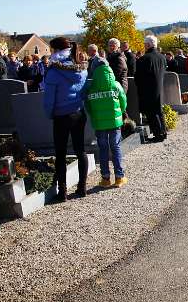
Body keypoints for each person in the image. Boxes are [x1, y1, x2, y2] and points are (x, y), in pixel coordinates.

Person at [43, 37, 89, 200]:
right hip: (78, 112)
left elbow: (49, 98)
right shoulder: (81, 68)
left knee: (61, 153)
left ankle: (62, 192)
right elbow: (84, 91)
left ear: (54, 50)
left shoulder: (53, 71)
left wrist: (49, 114)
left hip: (61, 115)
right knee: (80, 150)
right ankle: (82, 187)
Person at [85, 54, 128, 188]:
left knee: (103, 148)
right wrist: (119, 113)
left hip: (99, 123)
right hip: (115, 122)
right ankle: (119, 178)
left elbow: (88, 106)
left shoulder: (90, 87)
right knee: (115, 147)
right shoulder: (115, 85)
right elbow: (123, 102)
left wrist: (95, 116)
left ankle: (105, 179)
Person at [135, 35, 167, 142]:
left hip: (147, 89)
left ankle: (158, 135)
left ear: (148, 45)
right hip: (159, 87)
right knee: (159, 110)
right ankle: (163, 132)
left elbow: (138, 77)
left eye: (145, 44)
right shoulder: (162, 57)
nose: (144, 46)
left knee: (151, 113)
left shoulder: (144, 59)